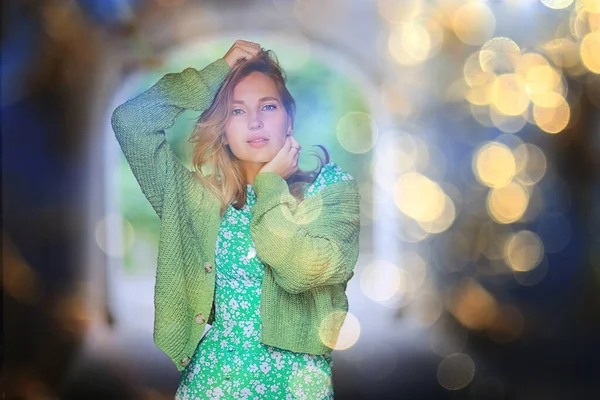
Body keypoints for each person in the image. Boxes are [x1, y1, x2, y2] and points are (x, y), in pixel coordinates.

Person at [111, 40, 361, 399]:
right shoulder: (199, 199)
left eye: (268, 106)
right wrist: (214, 73)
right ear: (223, 129)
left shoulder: (331, 189)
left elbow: (304, 270)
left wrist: (270, 186)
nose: (255, 122)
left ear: (289, 118)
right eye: (237, 111)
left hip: (298, 387)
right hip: (214, 384)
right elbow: (131, 121)